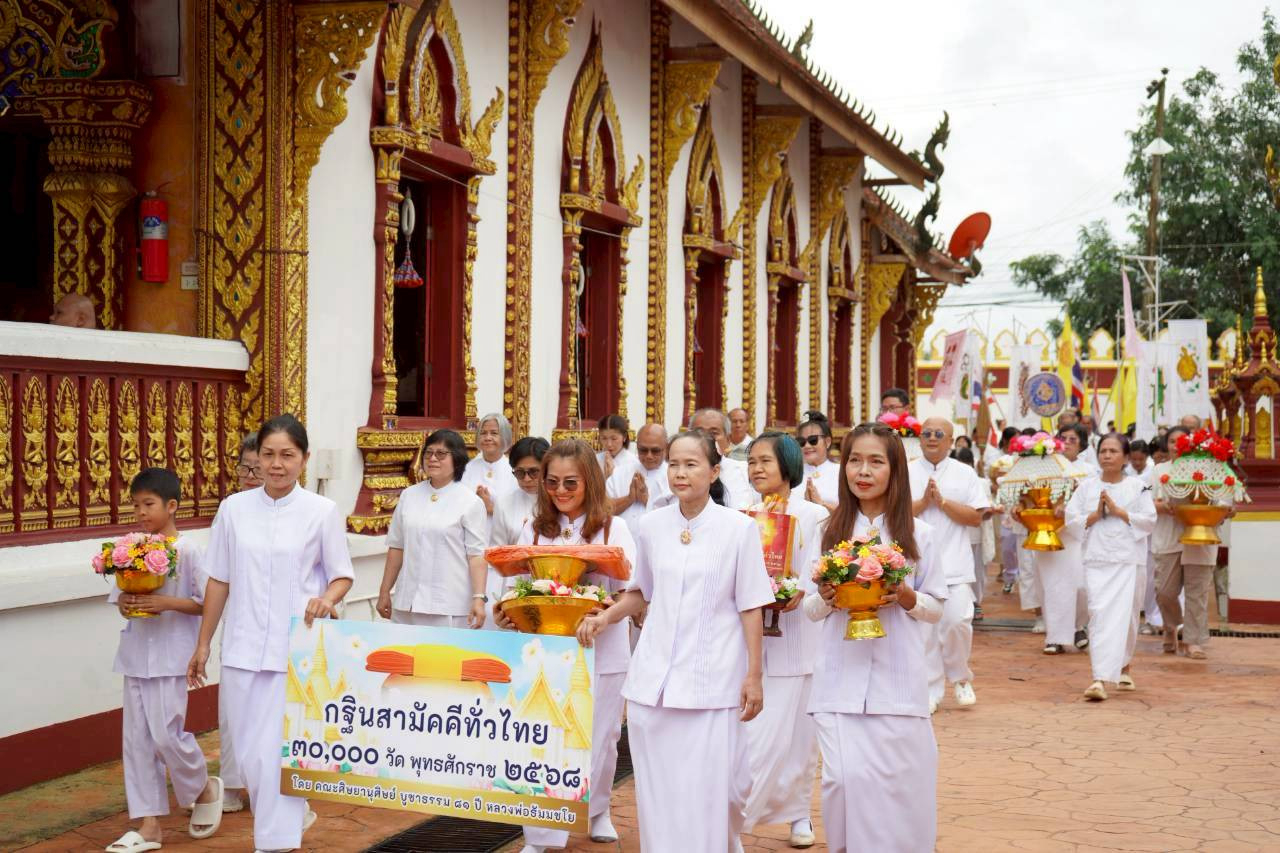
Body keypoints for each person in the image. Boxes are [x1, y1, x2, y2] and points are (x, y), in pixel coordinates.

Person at [577, 431, 773, 852]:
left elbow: (752, 605)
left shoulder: (739, 529)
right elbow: (639, 591)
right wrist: (605, 617)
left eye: (691, 464)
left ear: (714, 471)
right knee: (660, 792)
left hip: (713, 681)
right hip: (654, 683)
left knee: (720, 789)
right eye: (674, 464)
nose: (680, 473)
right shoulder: (650, 525)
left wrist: (754, 675)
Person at [189, 414, 354, 852]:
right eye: (268, 455)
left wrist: (327, 599)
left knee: (273, 754)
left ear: (304, 458)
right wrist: (203, 643)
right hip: (242, 648)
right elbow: (219, 579)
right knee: (245, 756)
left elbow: (341, 575)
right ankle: (292, 816)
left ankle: (274, 842)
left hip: (294, 648)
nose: (276, 465)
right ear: (256, 458)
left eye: (287, 455)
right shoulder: (234, 509)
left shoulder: (321, 512)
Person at [805, 422, 945, 852]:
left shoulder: (920, 537)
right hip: (838, 682)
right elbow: (809, 609)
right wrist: (828, 597)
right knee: (842, 781)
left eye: (875, 462)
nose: (862, 471)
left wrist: (904, 596)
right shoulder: (827, 531)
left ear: (895, 470)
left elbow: (936, 608)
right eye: (854, 460)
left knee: (899, 791)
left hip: (897, 683)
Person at [498, 439, 636, 852]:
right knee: (542, 738)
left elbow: (632, 593)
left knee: (600, 738)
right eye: (552, 482)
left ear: (590, 481)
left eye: (570, 482)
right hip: (544, 653)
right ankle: (541, 836)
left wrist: (603, 616)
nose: (560, 491)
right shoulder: (534, 529)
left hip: (603, 653)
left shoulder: (614, 527)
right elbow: (511, 589)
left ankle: (597, 809)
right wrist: (505, 613)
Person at [106, 469, 223, 853]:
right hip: (136, 654)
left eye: (148, 504)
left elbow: (207, 601)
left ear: (171, 506)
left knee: (166, 735)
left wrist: (167, 603)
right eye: (136, 505)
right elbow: (122, 602)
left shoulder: (188, 551)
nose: (140, 512)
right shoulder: (130, 549)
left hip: (173, 656)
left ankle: (203, 787)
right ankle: (149, 825)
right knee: (136, 741)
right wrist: (126, 603)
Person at [743, 432, 828, 847]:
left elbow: (819, 570)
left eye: (765, 461)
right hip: (754, 643)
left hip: (799, 636)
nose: (756, 469)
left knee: (799, 741)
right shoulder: (741, 515)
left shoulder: (814, 515)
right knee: (756, 741)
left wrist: (797, 588)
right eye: (752, 462)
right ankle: (735, 821)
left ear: (788, 466)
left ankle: (799, 815)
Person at [1065, 433, 1156, 701]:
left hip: (1129, 560)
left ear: (1126, 457)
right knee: (1100, 614)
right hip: (1097, 559)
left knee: (1126, 617)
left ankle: (1124, 666)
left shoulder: (1139, 487)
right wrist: (1095, 515)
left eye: (1113, 451)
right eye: (1103, 450)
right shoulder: (1086, 487)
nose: (1107, 455)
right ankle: (1099, 678)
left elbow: (1149, 520)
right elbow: (1072, 520)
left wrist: (1118, 511)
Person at [910, 418, 989, 710]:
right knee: (925, 631)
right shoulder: (906, 470)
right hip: (918, 564)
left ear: (950, 440)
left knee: (957, 622)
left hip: (955, 563)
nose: (931, 438)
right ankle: (931, 690)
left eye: (938, 434)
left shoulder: (965, 473)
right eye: (926, 433)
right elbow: (897, 513)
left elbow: (975, 517)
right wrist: (923, 503)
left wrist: (941, 502)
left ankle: (961, 677)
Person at [376, 429, 488, 628]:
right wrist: (385, 591)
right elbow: (397, 547)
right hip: (407, 602)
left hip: (448, 604)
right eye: (428, 453)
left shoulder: (470, 502)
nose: (433, 459)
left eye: (441, 454)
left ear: (458, 459)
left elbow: (476, 555)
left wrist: (479, 598)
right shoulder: (409, 495)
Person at [1153, 427, 1227, 660]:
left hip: (1202, 539)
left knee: (1197, 594)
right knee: (1165, 592)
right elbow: (1146, 500)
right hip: (1169, 539)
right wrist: (1163, 507)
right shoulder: (1157, 471)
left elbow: (1224, 499)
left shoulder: (1211, 467)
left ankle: (1194, 641)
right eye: (1172, 441)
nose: (1176, 445)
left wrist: (1226, 510)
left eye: (1181, 441)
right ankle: (1172, 625)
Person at [219, 433, 264, 815]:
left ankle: (270, 784)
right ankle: (232, 785)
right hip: (239, 619)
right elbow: (219, 572)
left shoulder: (307, 510)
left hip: (281, 625)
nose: (250, 475)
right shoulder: (231, 507)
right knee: (233, 708)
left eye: (257, 467)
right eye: (244, 467)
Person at [490, 436, 549, 548]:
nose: (527, 479)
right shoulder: (504, 503)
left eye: (534, 472)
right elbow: (497, 551)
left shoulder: (560, 500)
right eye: (520, 473)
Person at [689, 407, 753, 508]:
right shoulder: (675, 472)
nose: (706, 438)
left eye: (714, 433)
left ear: (728, 440)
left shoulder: (744, 471)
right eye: (699, 432)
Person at [608, 422, 671, 524]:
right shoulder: (620, 473)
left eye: (655, 451)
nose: (649, 456)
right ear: (637, 446)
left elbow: (675, 519)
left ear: (666, 448)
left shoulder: (674, 477)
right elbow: (601, 510)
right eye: (643, 450)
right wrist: (629, 499)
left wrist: (647, 500)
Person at [463, 412, 519, 516]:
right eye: (483, 433)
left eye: (494, 433)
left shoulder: (514, 470)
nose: (488, 438)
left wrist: (490, 508)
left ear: (504, 437)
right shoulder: (468, 468)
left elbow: (518, 512)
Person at [797, 410, 839, 512]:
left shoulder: (841, 472)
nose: (807, 446)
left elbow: (851, 513)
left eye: (813, 440)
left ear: (827, 442)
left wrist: (821, 504)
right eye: (802, 442)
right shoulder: (793, 473)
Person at [597, 413, 637, 480]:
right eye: (604, 438)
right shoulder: (595, 461)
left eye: (614, 439)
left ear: (624, 437)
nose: (609, 444)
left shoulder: (633, 462)